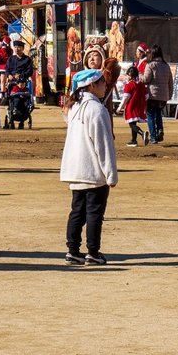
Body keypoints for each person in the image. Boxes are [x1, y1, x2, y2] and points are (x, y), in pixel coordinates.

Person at [59, 67, 118, 265]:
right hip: (93, 171)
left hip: (75, 169)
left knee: (77, 211)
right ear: (92, 85)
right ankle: (93, 251)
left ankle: (73, 250)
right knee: (94, 213)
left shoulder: (75, 108)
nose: (105, 86)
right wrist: (111, 174)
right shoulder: (97, 110)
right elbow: (104, 145)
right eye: (102, 83)